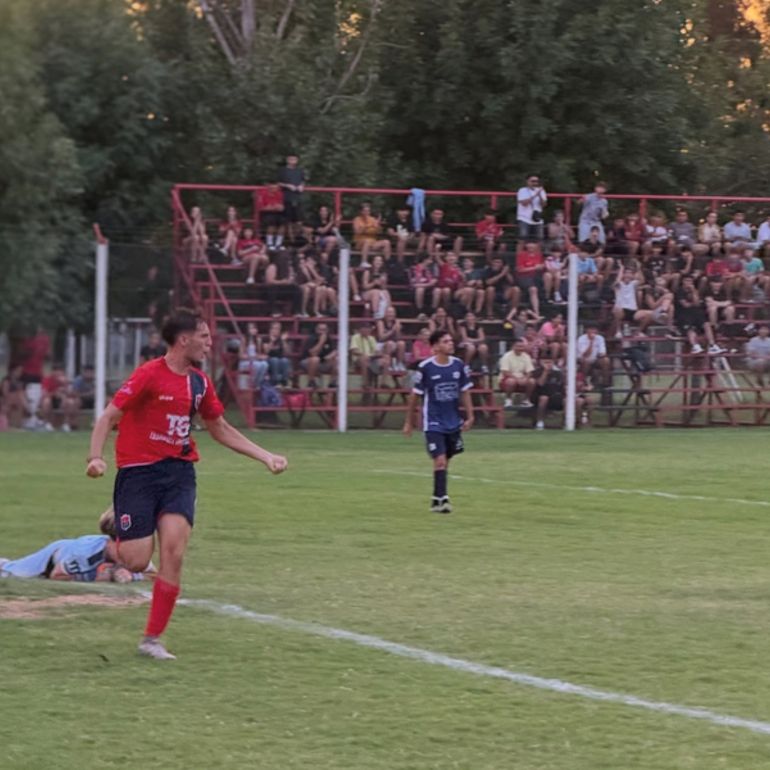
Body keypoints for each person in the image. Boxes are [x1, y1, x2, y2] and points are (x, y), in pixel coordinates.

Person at [85, 307, 288, 660]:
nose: (210, 343)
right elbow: (108, 416)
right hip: (138, 473)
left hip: (178, 474)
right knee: (136, 561)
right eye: (204, 336)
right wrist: (95, 458)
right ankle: (120, 518)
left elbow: (220, 429)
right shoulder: (148, 375)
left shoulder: (200, 383)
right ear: (184, 340)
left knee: (174, 554)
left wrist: (265, 456)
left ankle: (151, 640)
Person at [402, 330, 474, 514]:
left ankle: (436, 499)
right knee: (439, 460)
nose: (451, 344)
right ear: (436, 346)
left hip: (453, 421)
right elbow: (414, 396)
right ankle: (444, 499)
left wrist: (470, 416)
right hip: (433, 422)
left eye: (451, 341)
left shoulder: (458, 365)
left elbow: (465, 392)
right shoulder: (426, 367)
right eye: (446, 341)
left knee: (445, 461)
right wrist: (409, 422)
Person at [0, 507, 154, 583]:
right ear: (117, 542)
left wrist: (130, 575)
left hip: (68, 550)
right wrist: (100, 576)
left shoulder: (134, 552)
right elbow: (57, 575)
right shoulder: (85, 554)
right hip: (49, 561)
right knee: (10, 573)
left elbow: (153, 574)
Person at [499, 338, 535, 409]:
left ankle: (526, 400)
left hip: (522, 379)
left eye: (522, 346)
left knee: (532, 381)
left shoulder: (526, 356)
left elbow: (530, 371)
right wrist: (517, 379)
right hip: (507, 380)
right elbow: (505, 372)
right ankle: (508, 400)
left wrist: (526, 378)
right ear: (513, 347)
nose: (520, 348)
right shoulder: (506, 356)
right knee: (511, 381)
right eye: (518, 346)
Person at [277, 154, 305, 241]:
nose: (292, 161)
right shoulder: (282, 170)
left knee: (299, 221)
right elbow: (277, 183)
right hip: (287, 198)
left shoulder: (300, 170)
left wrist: (301, 186)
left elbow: (303, 181)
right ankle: (291, 240)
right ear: (287, 160)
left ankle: (298, 239)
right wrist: (288, 185)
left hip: (298, 198)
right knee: (287, 221)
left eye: (294, 159)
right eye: (291, 159)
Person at [353, 203, 391, 267]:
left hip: (372, 242)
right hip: (360, 242)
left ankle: (388, 263)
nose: (367, 213)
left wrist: (377, 226)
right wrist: (366, 226)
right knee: (367, 241)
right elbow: (357, 232)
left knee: (386, 242)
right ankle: (363, 262)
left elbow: (379, 232)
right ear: (361, 211)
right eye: (365, 211)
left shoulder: (372, 219)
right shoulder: (357, 219)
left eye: (368, 211)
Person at [300, 322, 337, 388]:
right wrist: (321, 342)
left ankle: (332, 383)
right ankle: (311, 381)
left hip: (323, 362)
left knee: (336, 359)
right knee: (315, 359)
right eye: (320, 330)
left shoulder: (329, 338)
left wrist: (332, 355)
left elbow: (334, 350)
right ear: (316, 330)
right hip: (308, 362)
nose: (322, 332)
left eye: (324, 330)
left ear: (327, 330)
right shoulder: (311, 338)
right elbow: (313, 353)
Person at [576, 323, 610, 388]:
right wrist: (591, 342)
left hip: (596, 359)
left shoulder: (600, 338)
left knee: (606, 360)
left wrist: (601, 355)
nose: (592, 331)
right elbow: (585, 354)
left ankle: (605, 381)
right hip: (583, 360)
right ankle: (582, 381)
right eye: (590, 329)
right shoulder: (581, 339)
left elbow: (602, 352)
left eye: (594, 329)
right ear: (586, 330)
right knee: (587, 360)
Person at [516, 175, 547, 241]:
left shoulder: (541, 191)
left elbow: (544, 204)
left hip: (537, 219)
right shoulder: (522, 190)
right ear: (528, 182)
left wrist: (540, 195)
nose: (535, 183)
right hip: (524, 218)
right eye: (533, 181)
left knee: (539, 239)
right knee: (523, 239)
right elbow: (524, 203)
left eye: (537, 181)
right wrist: (535, 195)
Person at [257, 182, 286, 249]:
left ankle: (278, 244)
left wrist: (281, 207)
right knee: (271, 224)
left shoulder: (280, 193)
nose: (274, 189)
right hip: (267, 213)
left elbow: (282, 206)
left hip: (278, 212)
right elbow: (261, 207)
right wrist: (271, 207)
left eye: (275, 188)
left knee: (283, 224)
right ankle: (270, 244)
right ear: (268, 186)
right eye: (272, 188)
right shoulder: (262, 193)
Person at [263, 321, 292, 387]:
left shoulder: (281, 339)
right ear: (270, 330)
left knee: (285, 361)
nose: (276, 330)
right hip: (269, 359)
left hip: (280, 359)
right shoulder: (266, 338)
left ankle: (284, 381)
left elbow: (287, 351)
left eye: (278, 329)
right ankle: (275, 381)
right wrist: (272, 341)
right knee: (274, 360)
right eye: (274, 328)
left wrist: (284, 341)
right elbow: (266, 351)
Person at [0, 363, 28, 430]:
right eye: (18, 371)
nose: (19, 373)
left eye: (21, 371)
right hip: (6, 400)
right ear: (13, 371)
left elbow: (23, 392)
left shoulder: (21, 380)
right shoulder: (7, 380)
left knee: (20, 395)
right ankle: (27, 409)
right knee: (18, 396)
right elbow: (5, 393)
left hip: (17, 400)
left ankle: (19, 423)